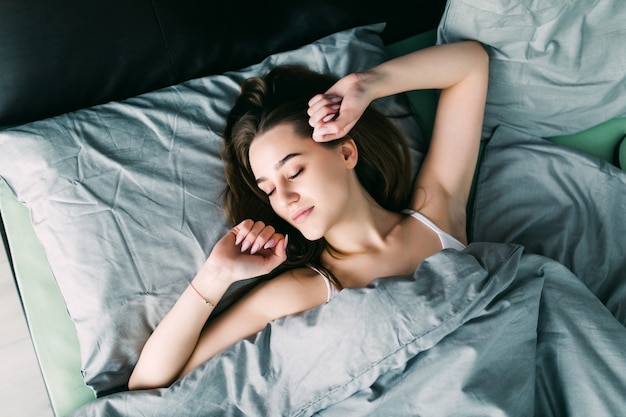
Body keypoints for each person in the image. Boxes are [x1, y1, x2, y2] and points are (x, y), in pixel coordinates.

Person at [128, 40, 489, 390]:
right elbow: (150, 386)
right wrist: (215, 275)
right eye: (268, 189)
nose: (284, 198)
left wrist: (367, 85)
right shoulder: (306, 289)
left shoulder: (435, 216)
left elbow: (470, 65)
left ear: (346, 153)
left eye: (294, 172)